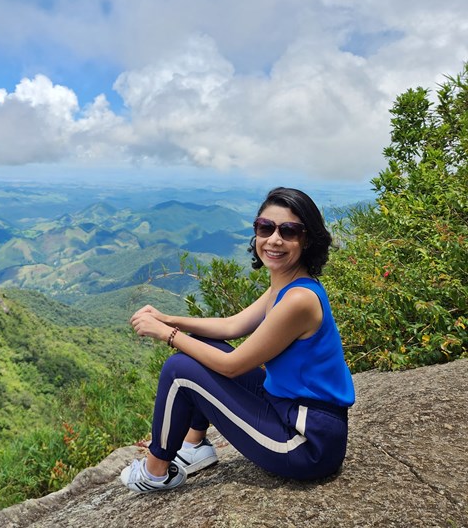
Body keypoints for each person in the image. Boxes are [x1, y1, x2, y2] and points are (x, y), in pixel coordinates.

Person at [121, 186, 355, 493]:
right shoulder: (286, 285)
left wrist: (167, 334)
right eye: (266, 227)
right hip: (288, 408)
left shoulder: (299, 299)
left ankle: (154, 472)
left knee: (179, 370)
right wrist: (169, 318)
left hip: (306, 443)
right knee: (201, 343)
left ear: (307, 239)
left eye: (289, 231)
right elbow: (231, 326)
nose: (274, 239)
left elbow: (232, 366)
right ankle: (194, 447)